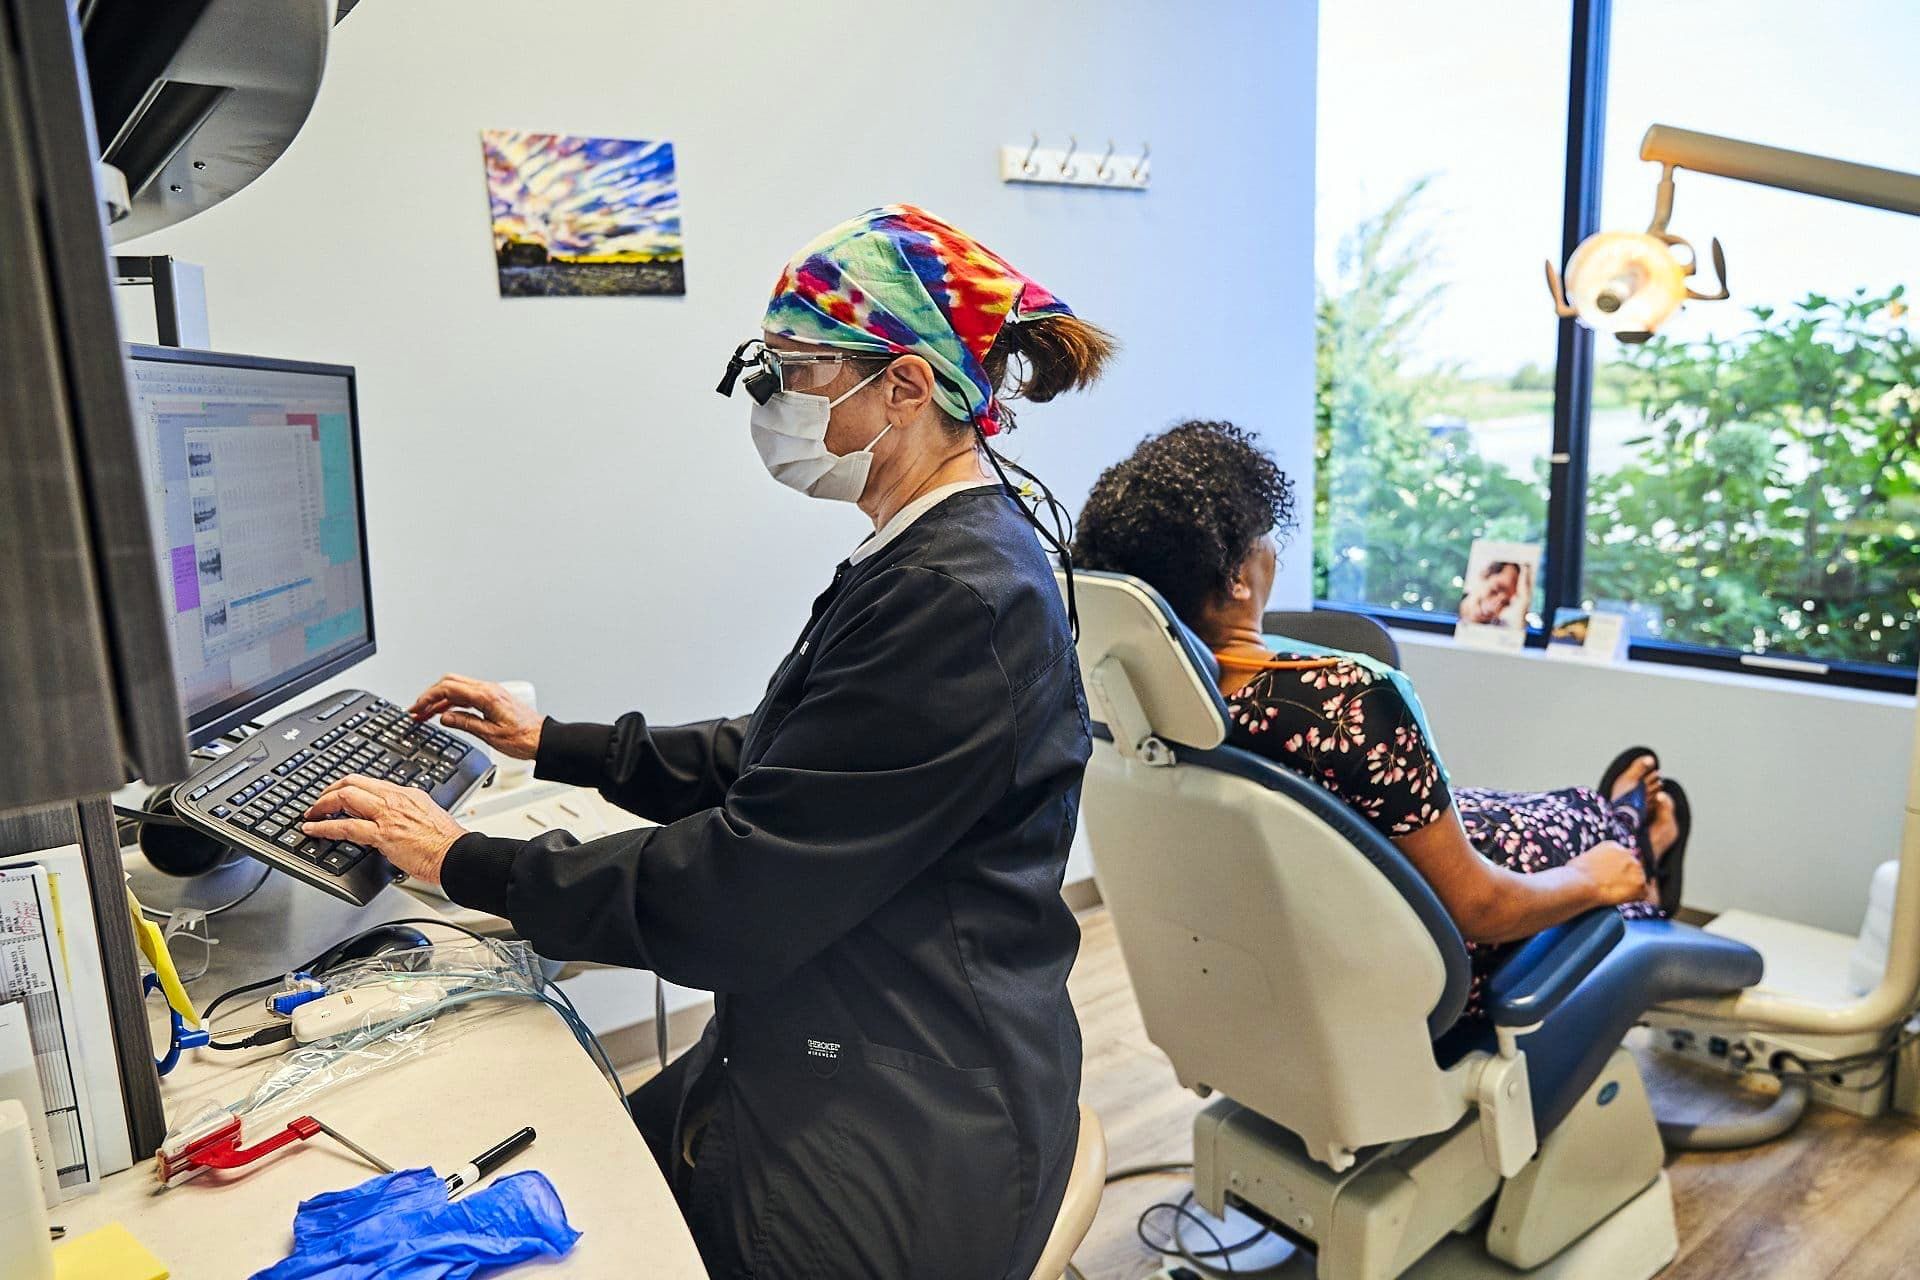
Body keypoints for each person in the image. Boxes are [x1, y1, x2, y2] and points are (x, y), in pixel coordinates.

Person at [301, 205, 1114, 1279]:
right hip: (851, 1036)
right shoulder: (940, 552)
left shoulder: (954, 593)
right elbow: (791, 754)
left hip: (908, 1105)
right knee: (578, 1166)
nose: (772, 398)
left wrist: (464, 860)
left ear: (907, 387)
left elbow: (740, 891)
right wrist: (558, 741)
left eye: (797, 368)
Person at [1072, 420, 1690, 1016]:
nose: (1271, 551)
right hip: (1430, 962)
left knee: (1530, 807)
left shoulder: (1143, 704)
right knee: (1587, 839)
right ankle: (1638, 850)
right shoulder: (1344, 698)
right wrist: (1591, 880)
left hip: (1299, 949)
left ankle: (1614, 815)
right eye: (1263, 535)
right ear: (1236, 577)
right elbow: (1479, 907)